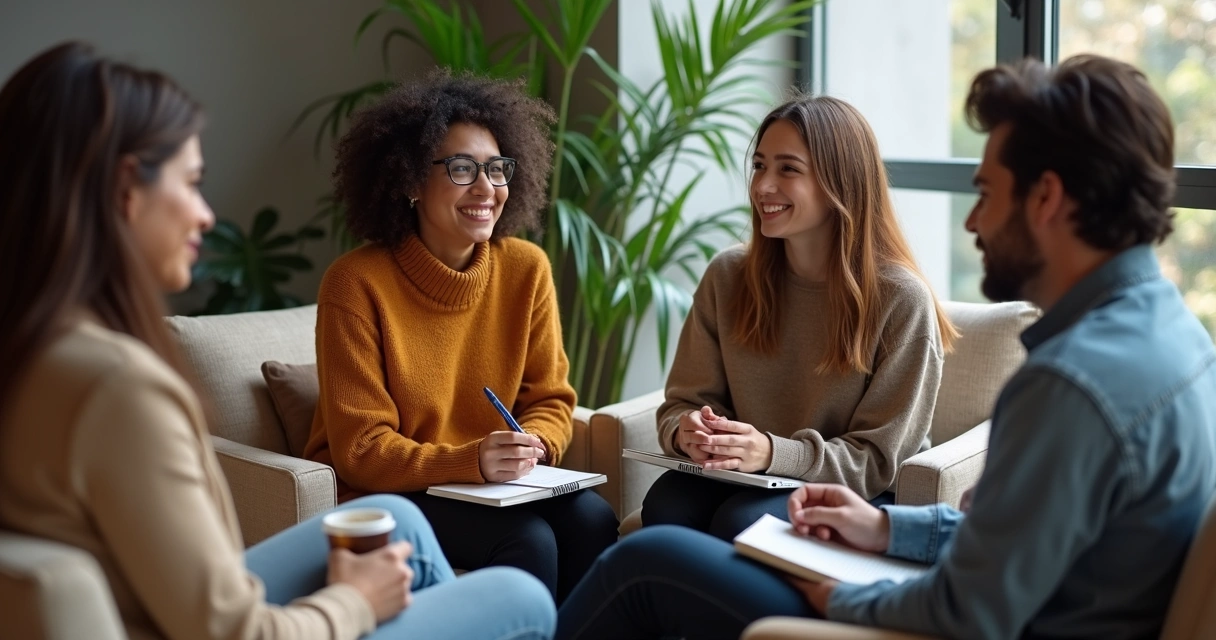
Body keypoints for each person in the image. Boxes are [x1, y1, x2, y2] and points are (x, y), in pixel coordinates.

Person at [554, 54, 1216, 640]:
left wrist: (847, 599)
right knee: (671, 526)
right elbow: (1026, 543)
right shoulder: (1175, 337)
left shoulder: (1070, 385)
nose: (971, 221)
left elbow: (970, 611)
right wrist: (889, 530)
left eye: (986, 193)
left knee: (643, 564)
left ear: (1045, 198)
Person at [0, 42, 556, 640]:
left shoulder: (35, 351)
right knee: (518, 595)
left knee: (395, 520)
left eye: (495, 169)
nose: (205, 214)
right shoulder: (119, 389)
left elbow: (552, 399)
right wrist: (354, 601)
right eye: (191, 182)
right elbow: (236, 632)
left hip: (150, 608)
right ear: (124, 191)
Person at [301, 71, 619, 603]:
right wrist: (469, 461)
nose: (487, 189)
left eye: (497, 169)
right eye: (462, 168)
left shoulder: (526, 269)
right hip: (392, 491)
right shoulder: (355, 284)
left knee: (593, 519)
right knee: (528, 541)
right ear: (409, 181)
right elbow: (359, 449)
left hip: (498, 484)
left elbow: (550, 398)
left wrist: (535, 446)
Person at [642, 94, 957, 540]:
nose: (763, 186)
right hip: (747, 476)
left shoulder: (901, 300)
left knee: (746, 523)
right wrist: (687, 432)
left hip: (851, 492)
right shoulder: (727, 275)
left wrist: (773, 452)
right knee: (667, 503)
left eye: (788, 169)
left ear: (840, 183)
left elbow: (878, 461)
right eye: (759, 166)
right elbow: (682, 402)